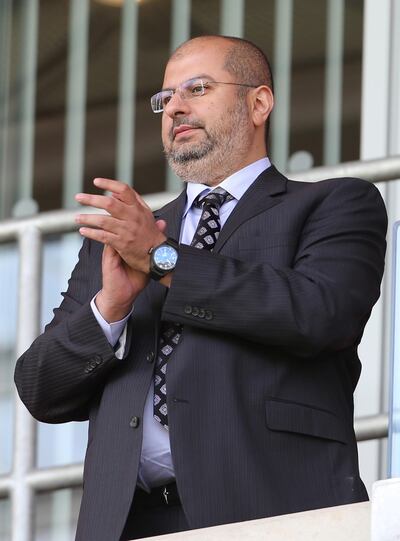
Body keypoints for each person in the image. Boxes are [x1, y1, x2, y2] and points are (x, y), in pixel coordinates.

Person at [15, 35, 387, 541]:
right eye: (165, 98)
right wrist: (110, 308)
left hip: (275, 510)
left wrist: (162, 259)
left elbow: (320, 314)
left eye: (198, 88)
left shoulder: (334, 203)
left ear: (259, 103)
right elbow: (40, 389)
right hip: (126, 521)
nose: (175, 108)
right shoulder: (124, 238)